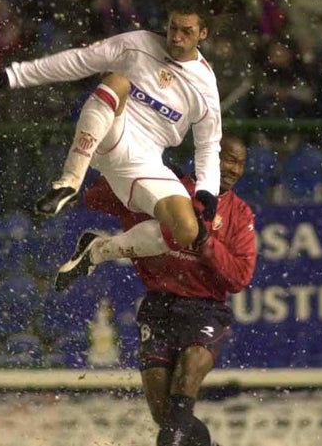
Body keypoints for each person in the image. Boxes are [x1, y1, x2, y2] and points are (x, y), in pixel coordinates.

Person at [0, 0, 225, 280]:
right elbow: (81, 60)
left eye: (187, 31)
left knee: (187, 231)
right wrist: (17, 75)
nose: (177, 37)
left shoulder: (206, 85)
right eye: (173, 28)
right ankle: (68, 182)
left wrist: (208, 190)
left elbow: (209, 145)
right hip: (111, 132)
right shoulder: (139, 43)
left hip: (146, 162)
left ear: (203, 34)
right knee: (117, 81)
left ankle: (97, 250)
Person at [72, 133, 257, 446]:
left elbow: (239, 277)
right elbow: (94, 199)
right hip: (159, 307)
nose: (235, 170)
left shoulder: (240, 214)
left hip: (205, 309)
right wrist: (127, 170)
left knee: (183, 392)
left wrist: (206, 245)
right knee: (167, 417)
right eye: (229, 160)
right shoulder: (164, 190)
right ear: (208, 157)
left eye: (240, 164)